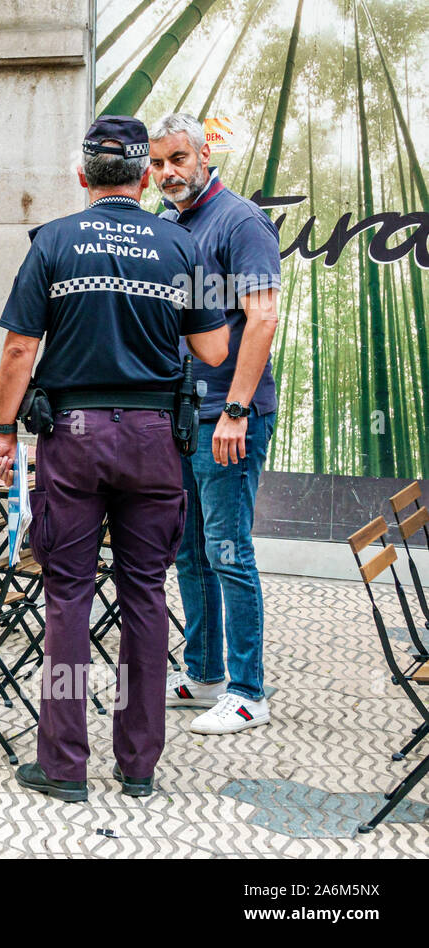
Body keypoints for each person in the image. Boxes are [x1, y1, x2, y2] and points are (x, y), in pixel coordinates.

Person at [0, 115, 228, 802]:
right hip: (155, 440)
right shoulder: (179, 246)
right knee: (146, 597)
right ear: (145, 175)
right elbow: (212, 351)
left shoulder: (52, 244)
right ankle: (140, 766)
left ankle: (63, 766)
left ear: (83, 176)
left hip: (76, 437)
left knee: (67, 598)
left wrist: (3, 433)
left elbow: (17, 351)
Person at [148, 112, 281, 735]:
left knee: (229, 551)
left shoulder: (241, 220)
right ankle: (203, 674)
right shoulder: (171, 223)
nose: (167, 173)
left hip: (228, 416)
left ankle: (249, 690)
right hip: (183, 417)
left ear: (204, 155)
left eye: (177, 159)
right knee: (191, 552)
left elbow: (262, 320)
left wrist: (234, 410)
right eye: (156, 164)